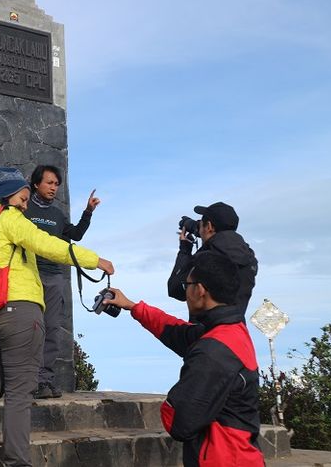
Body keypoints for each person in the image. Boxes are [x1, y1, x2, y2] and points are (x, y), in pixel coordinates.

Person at [0, 167, 114, 467]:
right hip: (18, 309)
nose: (26, 205)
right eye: (23, 198)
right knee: (19, 394)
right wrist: (95, 260)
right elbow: (47, 244)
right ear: (7, 195)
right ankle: (16, 462)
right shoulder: (9, 218)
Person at [105, 251, 264, 466]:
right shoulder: (231, 331)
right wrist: (134, 307)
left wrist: (170, 404)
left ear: (199, 290)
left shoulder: (212, 351)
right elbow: (177, 332)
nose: (186, 291)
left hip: (223, 459)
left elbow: (180, 421)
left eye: (187, 285)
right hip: (243, 455)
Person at [24, 164, 100, 399]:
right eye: (49, 182)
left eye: (56, 184)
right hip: (28, 275)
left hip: (54, 277)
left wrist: (87, 212)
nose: (53, 188)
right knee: (29, 329)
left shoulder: (57, 214)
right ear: (36, 184)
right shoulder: (23, 210)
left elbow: (75, 235)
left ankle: (44, 381)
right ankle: (25, 381)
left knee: (52, 330)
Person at [167, 201, 258, 316]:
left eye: (202, 223)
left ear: (209, 226)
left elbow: (175, 289)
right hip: (236, 327)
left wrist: (185, 251)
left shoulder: (206, 258)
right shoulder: (249, 257)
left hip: (207, 329)